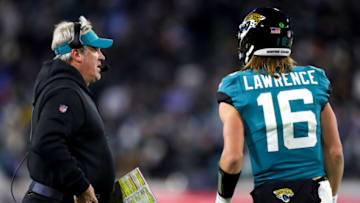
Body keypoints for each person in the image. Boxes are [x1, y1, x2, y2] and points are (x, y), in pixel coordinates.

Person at [215, 7, 344, 203]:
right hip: (317, 191)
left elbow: (233, 158)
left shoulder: (235, 86)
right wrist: (332, 197)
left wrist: (222, 201)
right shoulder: (315, 79)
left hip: (271, 193)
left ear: (248, 42)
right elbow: (335, 152)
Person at [22, 16, 116, 203]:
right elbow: (48, 142)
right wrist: (80, 186)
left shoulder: (67, 88)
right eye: (95, 49)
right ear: (77, 54)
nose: (102, 56)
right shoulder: (64, 91)